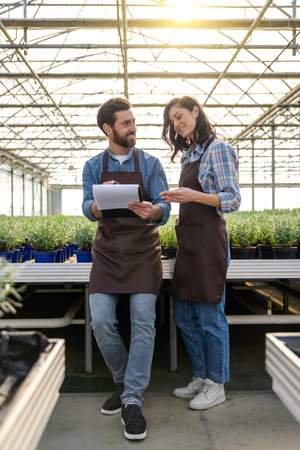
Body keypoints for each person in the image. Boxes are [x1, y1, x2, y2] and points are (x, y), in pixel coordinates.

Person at [82, 97, 170, 440]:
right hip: (107, 252)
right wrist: (101, 203)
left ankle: (132, 399)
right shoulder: (92, 165)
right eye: (126, 124)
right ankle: (123, 382)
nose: (133, 128)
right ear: (108, 129)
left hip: (143, 250)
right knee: (101, 320)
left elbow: (164, 204)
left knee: (142, 321)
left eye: (133, 122)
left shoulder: (150, 163)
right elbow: (86, 208)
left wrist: (156, 212)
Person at [160, 96, 241, 411]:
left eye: (180, 117)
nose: (177, 125)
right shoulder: (189, 155)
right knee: (183, 312)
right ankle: (202, 375)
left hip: (209, 242)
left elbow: (232, 199)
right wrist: (183, 208)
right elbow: (193, 198)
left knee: (210, 315)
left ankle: (217, 383)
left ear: (196, 111)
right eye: (172, 122)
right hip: (189, 242)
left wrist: (195, 196)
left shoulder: (217, 149)